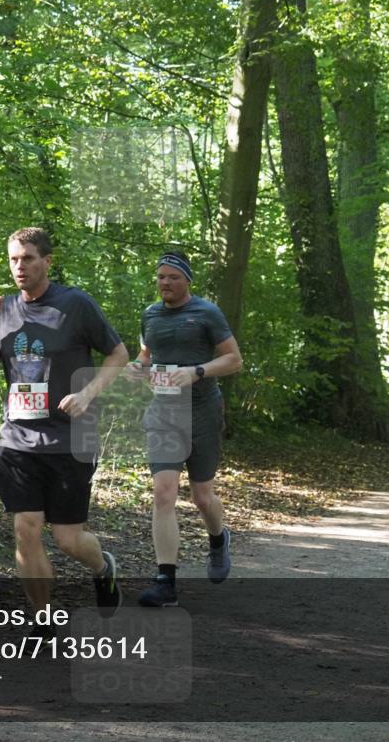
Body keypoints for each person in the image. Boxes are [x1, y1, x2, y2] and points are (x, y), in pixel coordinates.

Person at [0, 227, 129, 624]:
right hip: (18, 438)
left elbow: (118, 354)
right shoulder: (2, 310)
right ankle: (41, 618)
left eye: (27, 258)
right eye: (13, 259)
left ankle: (102, 567)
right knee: (26, 527)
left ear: (46, 261)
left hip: (69, 437)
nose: (19, 267)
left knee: (68, 538)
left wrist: (88, 393)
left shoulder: (75, 305)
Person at [125, 250, 242, 608]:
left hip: (203, 411)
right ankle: (166, 583)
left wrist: (197, 371)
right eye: (160, 277)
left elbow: (234, 360)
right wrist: (137, 367)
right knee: (163, 493)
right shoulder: (150, 315)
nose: (165, 283)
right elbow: (147, 355)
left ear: (187, 280)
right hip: (163, 412)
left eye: (172, 277)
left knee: (202, 496)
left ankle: (218, 537)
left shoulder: (206, 313)